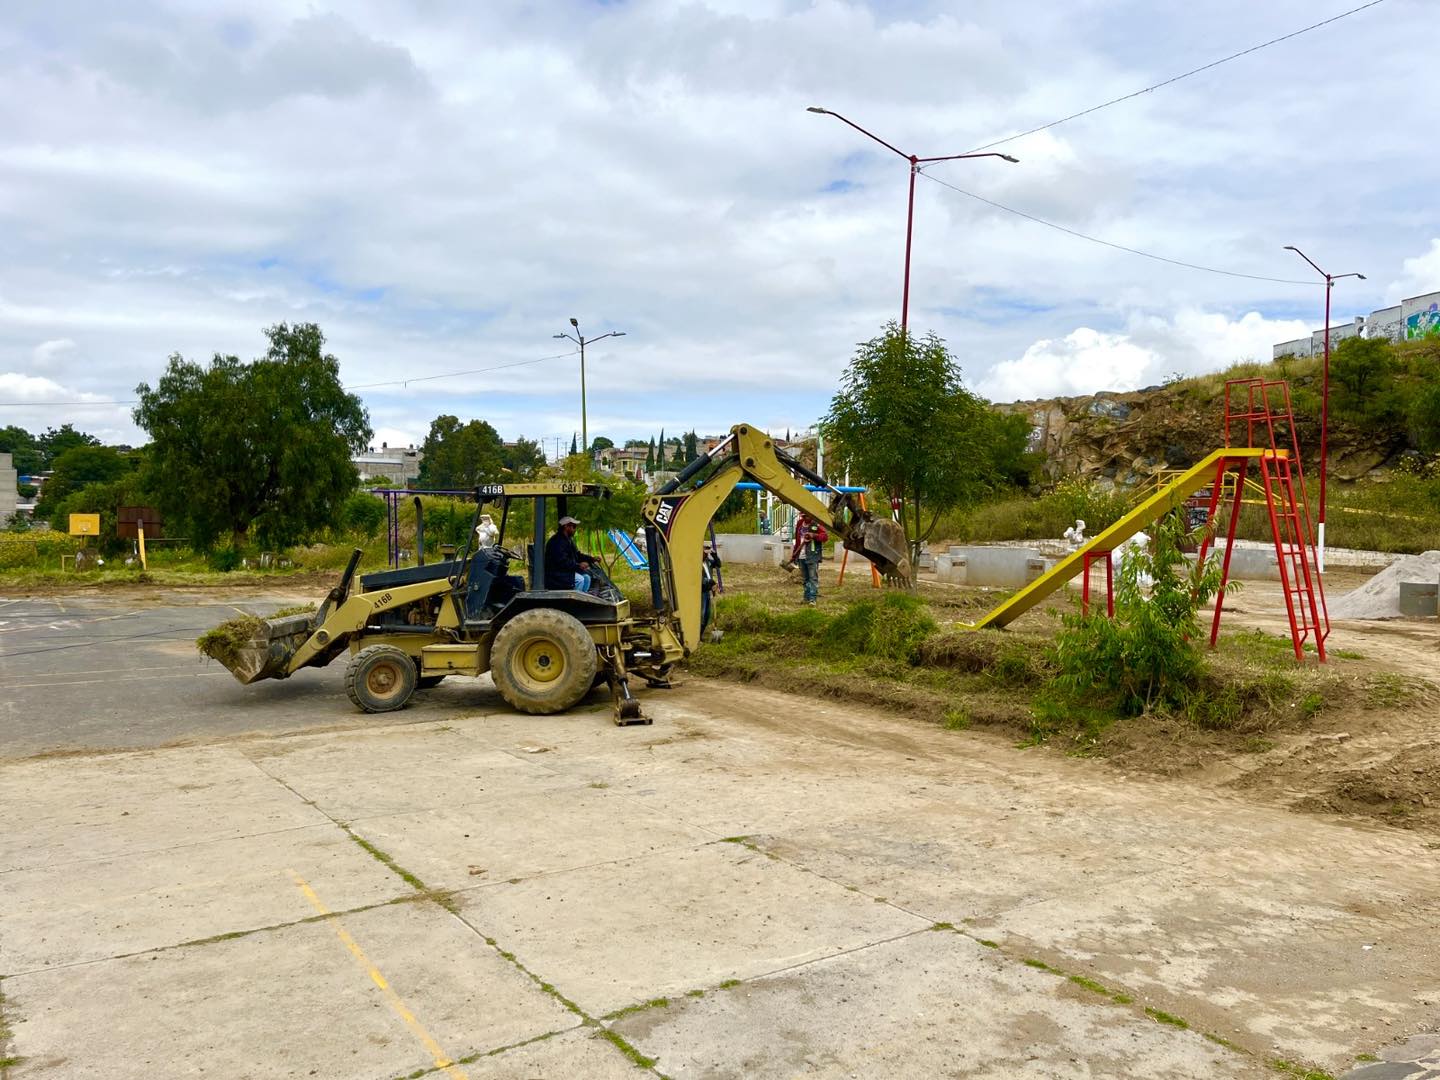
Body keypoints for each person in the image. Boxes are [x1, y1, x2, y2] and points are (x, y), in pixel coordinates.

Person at [545, 515, 594, 592]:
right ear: (566, 526)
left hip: (565, 572)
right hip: (556, 574)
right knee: (580, 580)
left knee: (587, 578)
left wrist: (592, 559)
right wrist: (578, 565)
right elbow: (562, 561)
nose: (575, 529)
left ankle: (582, 601)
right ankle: (573, 602)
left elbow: (577, 555)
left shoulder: (569, 540)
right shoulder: (557, 541)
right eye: (573, 527)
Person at [791, 514, 828, 605]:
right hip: (801, 556)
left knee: (813, 578)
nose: (805, 518)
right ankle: (806, 598)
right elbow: (797, 540)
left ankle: (812, 599)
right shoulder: (800, 524)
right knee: (805, 579)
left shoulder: (816, 525)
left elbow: (825, 537)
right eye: (803, 516)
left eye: (807, 516)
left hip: (812, 555)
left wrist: (814, 535)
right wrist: (794, 555)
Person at [700, 539, 723, 631]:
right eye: (704, 551)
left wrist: (714, 554)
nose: (706, 554)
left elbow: (718, 564)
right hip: (701, 591)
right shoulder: (696, 563)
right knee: (702, 614)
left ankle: (701, 634)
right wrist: (708, 581)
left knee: (707, 614)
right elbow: (697, 577)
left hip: (707, 590)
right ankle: (698, 635)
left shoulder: (707, 561)